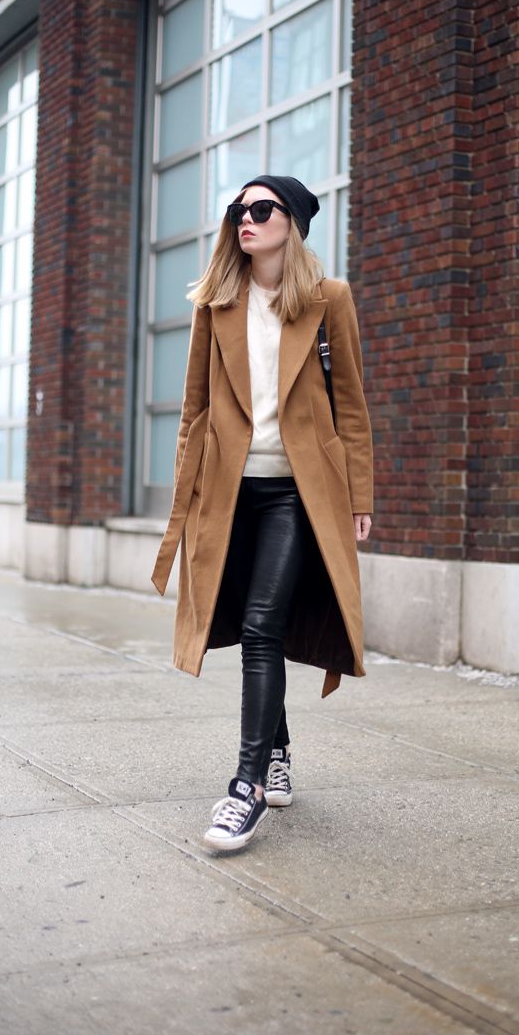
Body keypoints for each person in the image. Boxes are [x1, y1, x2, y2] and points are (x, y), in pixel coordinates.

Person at [151, 174, 373, 852]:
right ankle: (276, 748)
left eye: (261, 208)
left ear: (292, 223)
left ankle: (244, 788)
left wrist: (360, 496)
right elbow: (193, 409)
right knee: (255, 631)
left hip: (296, 494)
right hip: (229, 491)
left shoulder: (329, 299)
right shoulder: (216, 303)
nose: (245, 219)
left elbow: (352, 406)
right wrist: (185, 496)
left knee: (261, 626)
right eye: (237, 210)